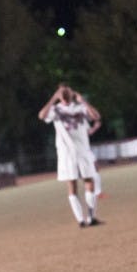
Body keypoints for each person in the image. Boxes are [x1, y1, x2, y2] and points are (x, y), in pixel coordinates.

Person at [38, 84, 103, 227]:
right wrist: (53, 98)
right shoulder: (55, 110)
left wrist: (83, 101)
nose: (64, 93)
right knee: (72, 185)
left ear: (72, 92)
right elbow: (41, 115)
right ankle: (80, 220)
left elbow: (96, 116)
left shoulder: (79, 108)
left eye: (67, 90)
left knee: (89, 181)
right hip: (66, 153)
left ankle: (91, 217)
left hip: (83, 151)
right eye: (61, 91)